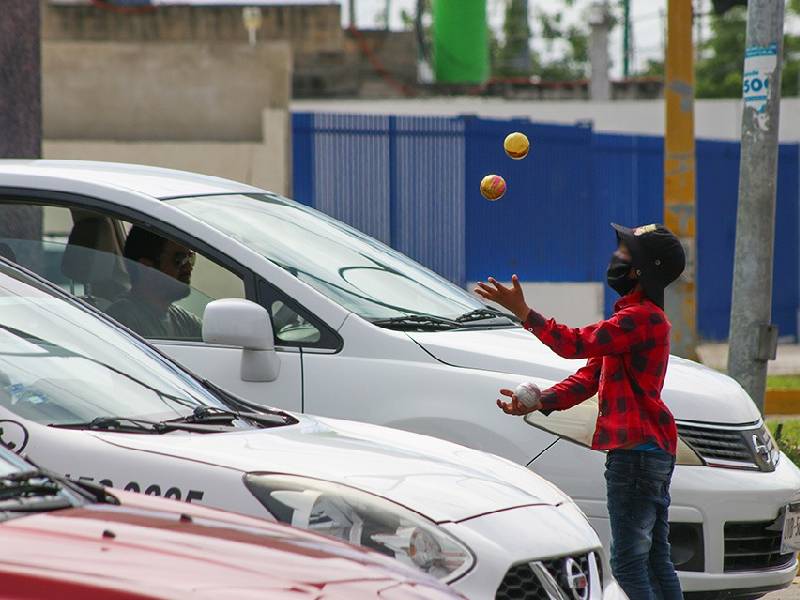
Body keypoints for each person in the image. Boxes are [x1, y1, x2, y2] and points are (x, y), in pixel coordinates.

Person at [475, 223, 685, 600]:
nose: (616, 257)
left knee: (629, 563)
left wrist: (525, 313)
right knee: (654, 560)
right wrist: (540, 400)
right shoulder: (634, 319)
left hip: (637, 456)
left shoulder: (639, 319)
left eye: (626, 253)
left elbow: (574, 344)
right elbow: (589, 377)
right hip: (647, 452)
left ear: (641, 270)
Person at [107, 226, 202, 340]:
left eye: (190, 257)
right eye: (180, 259)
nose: (188, 267)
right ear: (146, 268)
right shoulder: (122, 319)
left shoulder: (184, 321)